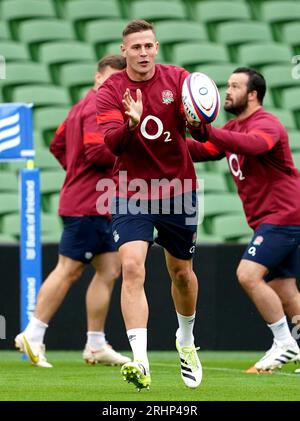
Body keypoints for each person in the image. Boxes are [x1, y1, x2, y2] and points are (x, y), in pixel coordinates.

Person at [96, 20, 202, 390]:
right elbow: (112, 144)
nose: (142, 53)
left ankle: (185, 341)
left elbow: (200, 129)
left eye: (147, 46)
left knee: (181, 274)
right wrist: (131, 124)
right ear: (123, 51)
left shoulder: (179, 79)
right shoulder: (111, 89)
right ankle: (140, 361)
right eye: (135, 47)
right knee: (132, 266)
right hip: (130, 189)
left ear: (156, 47)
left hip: (179, 189)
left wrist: (197, 122)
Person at [15, 55, 131, 368]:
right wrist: (128, 155)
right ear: (97, 77)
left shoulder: (81, 105)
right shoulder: (98, 107)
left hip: (93, 202)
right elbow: (96, 150)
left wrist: (75, 172)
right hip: (88, 204)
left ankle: (95, 343)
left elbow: (56, 144)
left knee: (109, 269)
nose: (114, 87)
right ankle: (34, 333)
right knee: (68, 269)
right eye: (110, 80)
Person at [186, 67, 300, 372]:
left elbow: (255, 145)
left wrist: (207, 129)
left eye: (235, 86)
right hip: (272, 218)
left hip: (284, 214)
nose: (227, 90)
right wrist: (165, 142)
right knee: (285, 289)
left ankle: (284, 344)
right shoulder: (234, 128)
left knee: (248, 275)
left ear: (253, 94)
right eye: (227, 84)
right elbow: (205, 149)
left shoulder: (266, 123)